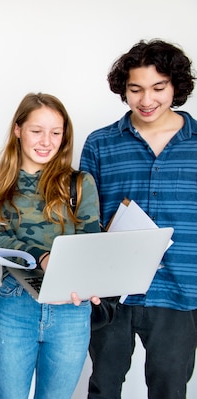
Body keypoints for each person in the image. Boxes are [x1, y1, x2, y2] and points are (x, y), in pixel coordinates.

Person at [80, 39, 197, 399]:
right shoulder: (100, 144)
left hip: (180, 292)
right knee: (104, 388)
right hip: (112, 293)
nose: (147, 100)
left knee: (170, 390)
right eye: (136, 89)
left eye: (158, 88)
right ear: (123, 90)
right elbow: (84, 221)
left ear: (175, 86)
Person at [0, 93, 101, 399]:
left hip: (71, 309)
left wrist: (95, 279)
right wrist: (42, 256)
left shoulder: (79, 183)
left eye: (56, 132)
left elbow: (91, 243)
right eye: (37, 131)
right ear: (18, 130)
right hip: (16, 304)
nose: (46, 141)